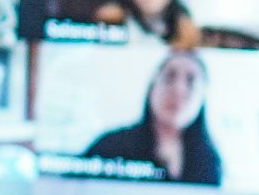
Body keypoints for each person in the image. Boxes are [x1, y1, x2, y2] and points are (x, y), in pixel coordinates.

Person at [83, 49, 224, 186]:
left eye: (191, 81)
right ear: (153, 86)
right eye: (170, 77)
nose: (178, 90)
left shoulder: (210, 162)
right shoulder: (109, 146)